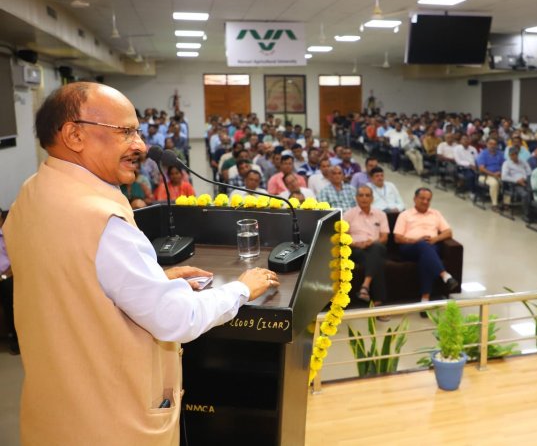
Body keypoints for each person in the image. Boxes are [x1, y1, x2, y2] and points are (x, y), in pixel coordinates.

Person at [3, 82, 279, 444]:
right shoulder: (100, 219)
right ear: (74, 135)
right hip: (112, 423)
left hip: (55, 415)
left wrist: (151, 278)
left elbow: (64, 279)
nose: (141, 146)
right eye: (126, 131)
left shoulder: (32, 192)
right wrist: (243, 287)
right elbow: (177, 319)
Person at [393, 188, 458, 312]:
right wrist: (416, 241)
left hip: (431, 246)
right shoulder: (405, 215)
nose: (425, 202)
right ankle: (445, 275)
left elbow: (448, 232)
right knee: (423, 245)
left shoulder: (435, 214)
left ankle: (424, 300)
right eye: (422, 198)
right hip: (409, 248)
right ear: (414, 199)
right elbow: (397, 238)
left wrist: (436, 238)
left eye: (428, 200)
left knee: (426, 258)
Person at [344, 186, 390, 318]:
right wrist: (355, 243)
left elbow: (384, 238)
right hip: (355, 249)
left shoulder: (381, 214)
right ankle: (378, 305)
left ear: (372, 198)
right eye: (361, 195)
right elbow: (343, 237)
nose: (364, 198)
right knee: (377, 261)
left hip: (375, 247)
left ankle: (365, 286)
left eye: (367, 195)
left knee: (376, 250)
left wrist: (372, 242)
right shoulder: (349, 214)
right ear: (356, 198)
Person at [0, 208, 18, 355]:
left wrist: (5, 276)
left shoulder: (8, 235)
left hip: (7, 276)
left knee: (8, 289)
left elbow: (15, 260)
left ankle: (16, 338)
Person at [476, 138, 504, 212]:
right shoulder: (483, 154)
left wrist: (500, 172)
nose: (492, 146)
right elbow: (481, 168)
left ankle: (506, 203)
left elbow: (504, 165)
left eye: (494, 144)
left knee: (508, 182)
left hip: (499, 174)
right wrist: (493, 174)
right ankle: (494, 204)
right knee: (494, 183)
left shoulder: (500, 153)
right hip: (485, 175)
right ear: (487, 144)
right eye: (491, 144)